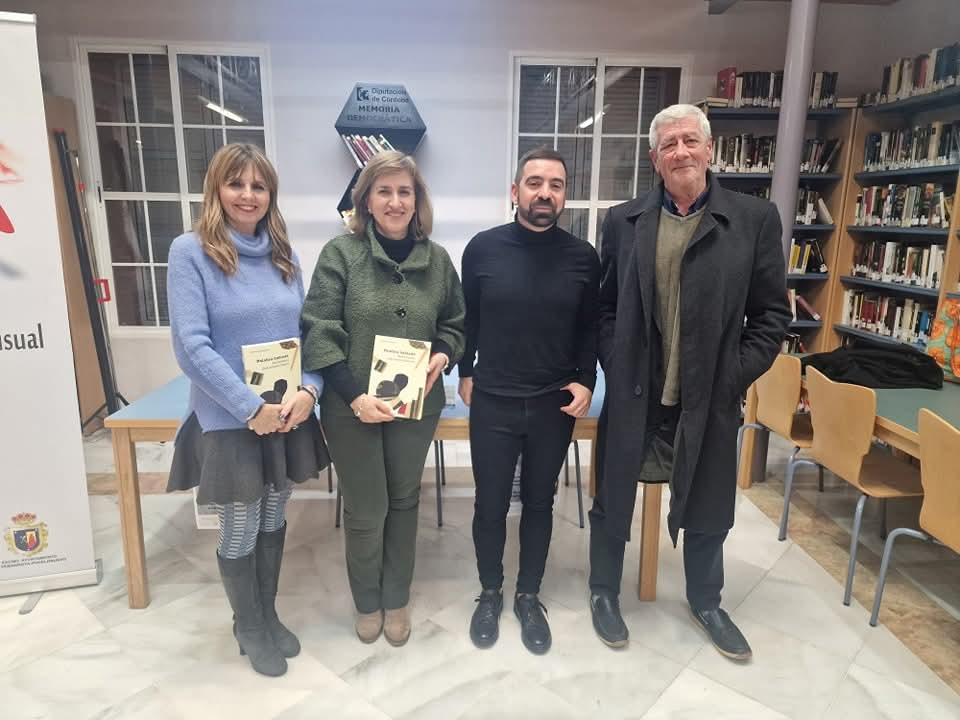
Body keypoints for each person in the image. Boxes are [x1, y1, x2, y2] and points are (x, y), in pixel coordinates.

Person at [587, 104, 791, 660]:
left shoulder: (753, 220)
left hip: (708, 396)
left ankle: (707, 601)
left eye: (689, 141)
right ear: (654, 159)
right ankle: (603, 591)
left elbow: (771, 316)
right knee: (611, 496)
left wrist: (732, 376)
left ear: (709, 149)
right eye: (669, 144)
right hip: (636, 392)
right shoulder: (623, 221)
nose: (680, 152)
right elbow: (604, 307)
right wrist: (616, 358)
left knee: (708, 503)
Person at [166, 143, 330, 677]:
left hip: (286, 417)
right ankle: (249, 625)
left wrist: (309, 390)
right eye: (236, 184)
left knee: (274, 517)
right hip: (231, 422)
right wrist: (246, 407)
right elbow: (192, 346)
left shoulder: (285, 254)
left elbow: (308, 334)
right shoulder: (190, 252)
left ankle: (266, 613)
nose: (248, 195)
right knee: (240, 527)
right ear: (216, 188)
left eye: (259, 186)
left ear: (270, 196)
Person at [301, 151, 465, 647]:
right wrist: (354, 398)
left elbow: (455, 324)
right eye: (384, 191)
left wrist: (443, 355)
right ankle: (366, 601)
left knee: (404, 500)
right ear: (366, 200)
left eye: (405, 192)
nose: (395, 202)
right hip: (351, 407)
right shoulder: (339, 254)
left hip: (415, 405)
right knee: (367, 509)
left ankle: (396, 598)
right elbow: (319, 330)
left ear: (417, 202)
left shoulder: (437, 261)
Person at [459, 147, 599, 655]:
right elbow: (468, 317)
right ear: (514, 191)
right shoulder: (482, 250)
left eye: (556, 184)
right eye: (535, 182)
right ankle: (490, 592)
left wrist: (587, 378)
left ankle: (528, 595)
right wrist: (464, 368)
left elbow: (589, 328)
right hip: (493, 398)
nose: (545, 192)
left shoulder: (583, 258)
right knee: (490, 504)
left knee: (541, 502)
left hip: (553, 404)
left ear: (565, 195)